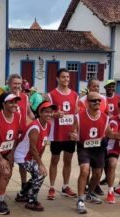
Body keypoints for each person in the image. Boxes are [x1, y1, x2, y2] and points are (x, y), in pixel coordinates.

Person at [72, 92, 120, 214]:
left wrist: (118, 135)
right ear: (87, 103)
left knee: (97, 174)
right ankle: (80, 200)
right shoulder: (79, 117)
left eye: (99, 100)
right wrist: (73, 136)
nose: (97, 102)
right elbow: (72, 132)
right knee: (84, 170)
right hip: (84, 147)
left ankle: (90, 194)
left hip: (99, 148)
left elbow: (109, 133)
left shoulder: (105, 117)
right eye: (93, 100)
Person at [14, 101, 56, 211]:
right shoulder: (35, 127)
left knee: (36, 174)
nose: (49, 114)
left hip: (29, 156)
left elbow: (42, 145)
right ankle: (32, 201)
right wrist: (40, 164)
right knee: (40, 174)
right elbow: (32, 148)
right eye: (46, 112)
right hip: (22, 156)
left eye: (51, 112)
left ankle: (22, 194)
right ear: (40, 112)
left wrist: (39, 161)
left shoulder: (48, 125)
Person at [47, 68, 78, 200]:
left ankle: (65, 186)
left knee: (68, 160)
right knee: (54, 160)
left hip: (69, 134)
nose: (66, 79)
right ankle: (52, 187)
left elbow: (76, 115)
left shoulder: (75, 95)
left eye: (67, 77)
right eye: (63, 77)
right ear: (57, 79)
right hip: (56, 134)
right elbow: (46, 114)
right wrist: (55, 114)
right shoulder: (51, 95)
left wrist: (75, 131)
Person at [5, 74, 35, 203]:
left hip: (22, 135)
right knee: (8, 163)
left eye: (19, 83)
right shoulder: (4, 98)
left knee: (23, 162)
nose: (17, 86)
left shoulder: (25, 97)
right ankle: (2, 190)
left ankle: (23, 187)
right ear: (9, 84)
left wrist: (38, 121)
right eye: (14, 83)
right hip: (10, 135)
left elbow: (29, 113)